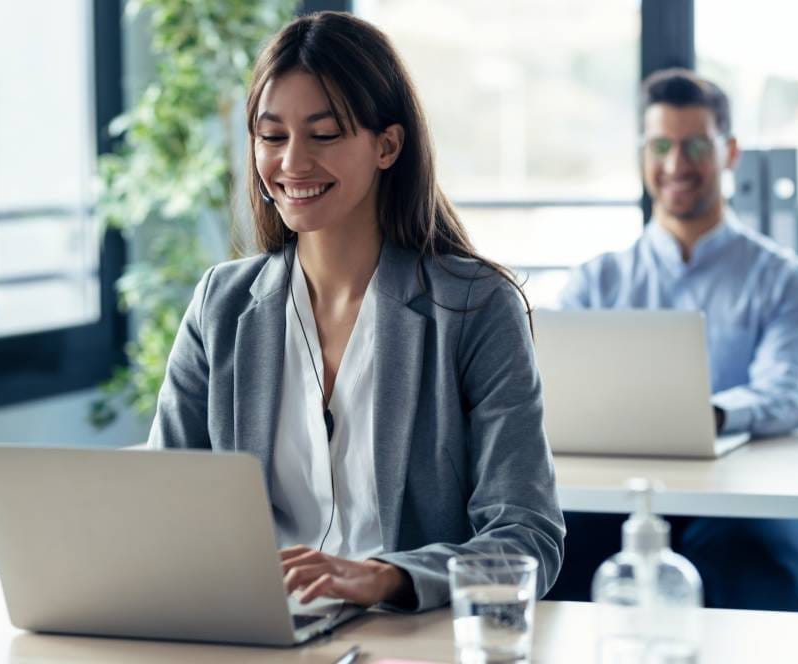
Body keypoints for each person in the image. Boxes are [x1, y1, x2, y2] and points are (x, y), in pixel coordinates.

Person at [147, 11, 565, 612]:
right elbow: (164, 506)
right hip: (260, 631)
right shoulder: (222, 304)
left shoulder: (474, 308)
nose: (292, 162)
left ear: (387, 146)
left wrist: (386, 576)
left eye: (323, 134)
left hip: (405, 635)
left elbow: (527, 538)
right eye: (272, 136)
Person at [547, 69, 798, 611]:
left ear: (730, 152)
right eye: (661, 146)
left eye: (696, 145)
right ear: (643, 153)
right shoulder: (595, 281)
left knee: (756, 566)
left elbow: (789, 393)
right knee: (551, 556)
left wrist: (708, 414)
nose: (677, 165)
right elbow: (551, 390)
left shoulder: (785, 278)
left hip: (747, 500)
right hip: (614, 494)